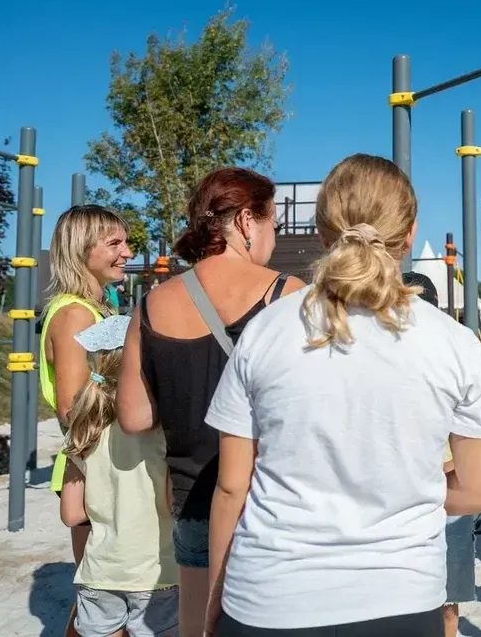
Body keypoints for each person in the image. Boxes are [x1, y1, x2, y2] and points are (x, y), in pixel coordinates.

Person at [201, 154, 481, 636]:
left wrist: (214, 599)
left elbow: (232, 487)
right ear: (410, 235)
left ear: (322, 231)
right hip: (402, 596)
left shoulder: (267, 329)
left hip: (271, 596)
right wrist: (408, 494)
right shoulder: (453, 342)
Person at [117, 168, 304, 637]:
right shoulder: (286, 295)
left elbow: (135, 416)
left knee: (199, 627)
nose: (273, 239)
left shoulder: (151, 304)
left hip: (191, 499)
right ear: (245, 221)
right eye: (273, 225)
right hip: (273, 498)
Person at [39, 204, 134, 633]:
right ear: (82, 250)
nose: (127, 252)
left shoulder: (95, 308)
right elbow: (71, 408)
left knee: (103, 599)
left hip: (102, 466)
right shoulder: (75, 313)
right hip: (92, 469)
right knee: (101, 600)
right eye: (114, 243)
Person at [60, 314, 179, 637]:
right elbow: (171, 503)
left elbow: (72, 514)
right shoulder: (162, 431)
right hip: (157, 571)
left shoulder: (84, 430)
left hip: (100, 570)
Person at [404, 270, 478, 637]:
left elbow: (475, 451)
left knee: (448, 604)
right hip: (412, 495)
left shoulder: (452, 356)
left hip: (445, 494)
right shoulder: (381, 362)